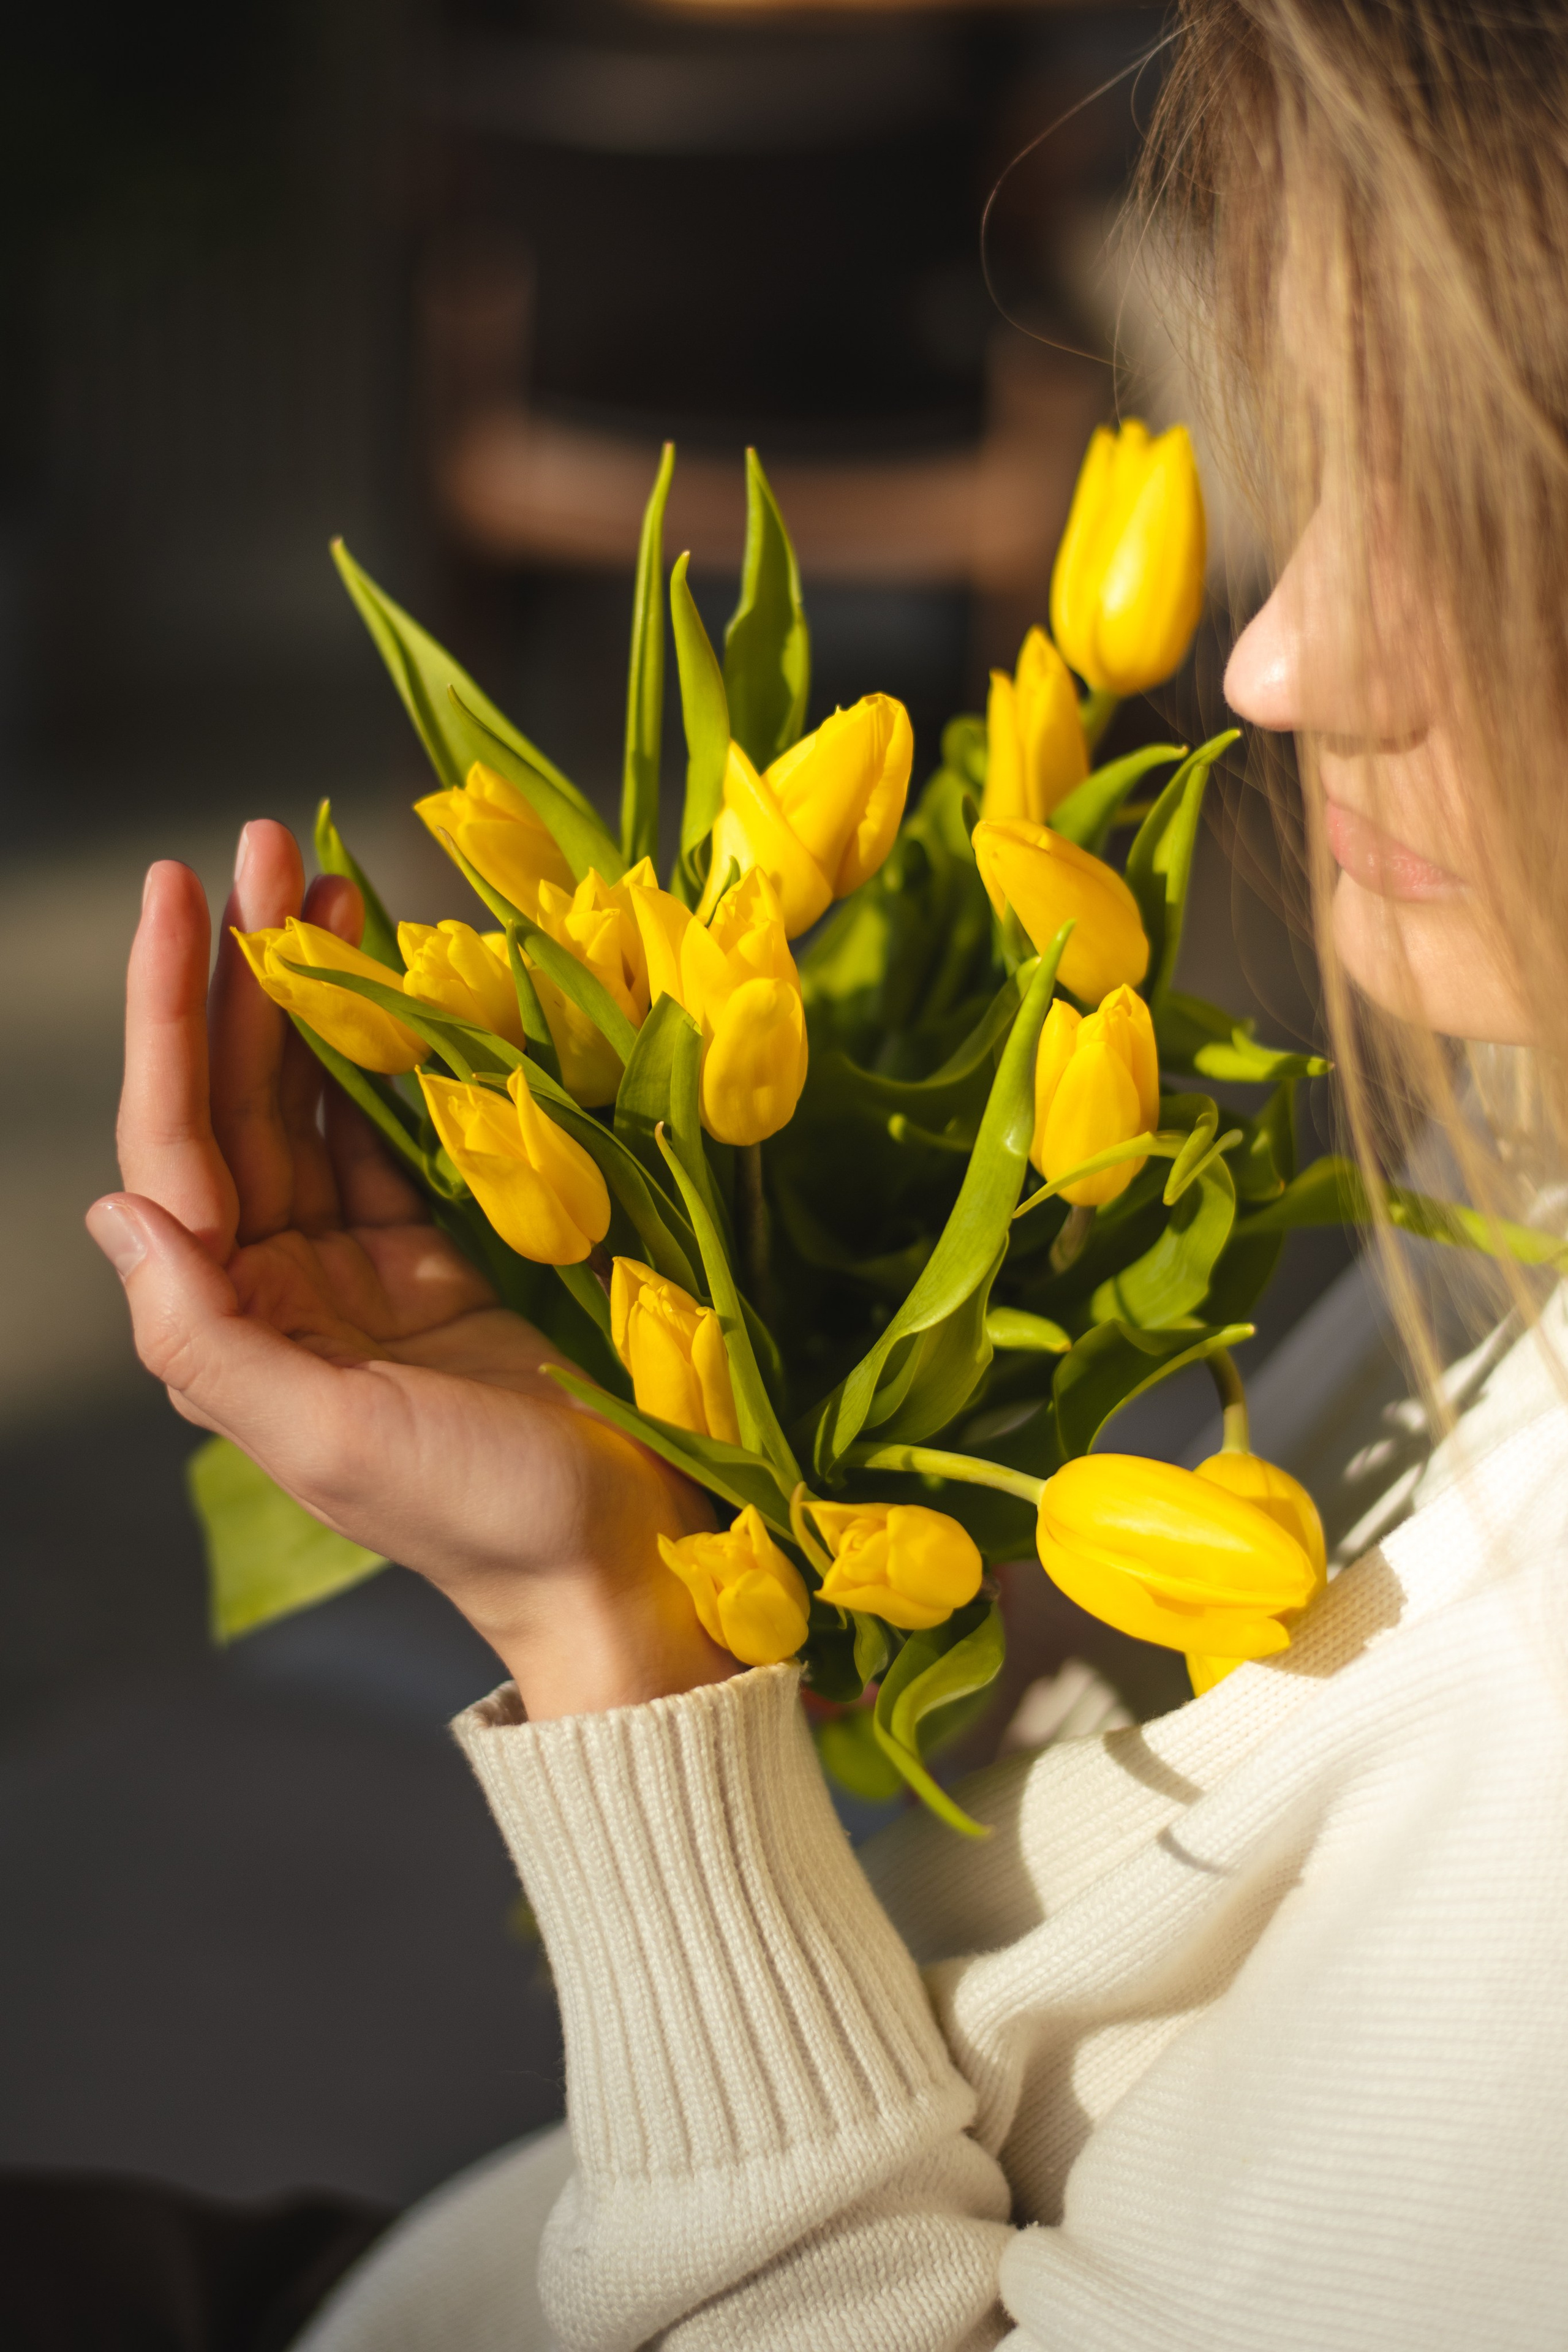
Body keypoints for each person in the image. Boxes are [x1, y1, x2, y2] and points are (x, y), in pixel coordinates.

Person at [77, 3, 1568, 2345]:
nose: (1276, 662)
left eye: (1499, 521)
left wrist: (606, 1646)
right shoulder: (1521, 1212)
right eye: (1340, 471)